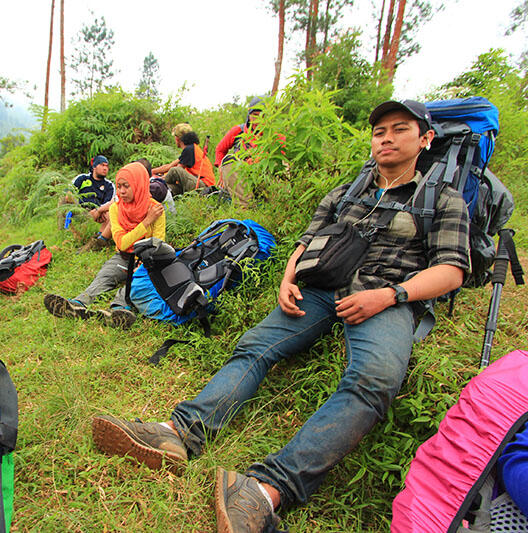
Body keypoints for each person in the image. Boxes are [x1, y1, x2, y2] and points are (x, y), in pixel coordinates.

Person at [92, 100, 471, 532]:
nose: (385, 138)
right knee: (255, 345)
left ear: (425, 139)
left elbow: (452, 269)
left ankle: (265, 491)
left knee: (374, 382)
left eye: (399, 129)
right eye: (379, 130)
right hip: (320, 288)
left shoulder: (443, 198)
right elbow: (308, 239)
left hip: (387, 299)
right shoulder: (352, 188)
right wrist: (287, 279)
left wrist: (391, 295)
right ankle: (179, 433)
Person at [44, 162, 166, 329]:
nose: (121, 192)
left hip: (146, 260)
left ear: (138, 184)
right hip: (123, 256)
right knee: (105, 276)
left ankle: (118, 310)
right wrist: (146, 223)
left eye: (126, 186)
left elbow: (157, 244)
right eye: (119, 186)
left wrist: (143, 262)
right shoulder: (116, 209)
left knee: (136, 282)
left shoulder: (155, 209)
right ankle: (77, 304)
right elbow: (122, 243)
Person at [215, 98, 286, 208]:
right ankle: (244, 208)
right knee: (228, 160)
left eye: (262, 115)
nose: (258, 119)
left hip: (264, 178)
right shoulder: (238, 131)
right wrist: (220, 167)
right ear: (249, 115)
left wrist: (261, 160)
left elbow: (284, 158)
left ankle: (276, 202)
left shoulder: (275, 135)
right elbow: (220, 149)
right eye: (255, 115)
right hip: (240, 178)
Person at [61, 155, 115, 251]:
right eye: (102, 165)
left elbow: (110, 203)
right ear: (94, 166)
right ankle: (66, 231)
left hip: (98, 213)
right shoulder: (82, 178)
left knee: (112, 211)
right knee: (64, 198)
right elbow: (69, 191)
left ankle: (99, 239)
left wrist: (97, 211)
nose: (105, 168)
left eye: (107, 166)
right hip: (79, 210)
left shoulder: (109, 185)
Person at [152, 123, 216, 196]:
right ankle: (160, 189)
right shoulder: (191, 148)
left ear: (177, 138)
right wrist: (151, 171)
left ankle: (157, 182)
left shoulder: (189, 149)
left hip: (203, 186)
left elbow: (176, 170)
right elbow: (169, 166)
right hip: (196, 183)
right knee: (170, 188)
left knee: (175, 170)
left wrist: (160, 178)